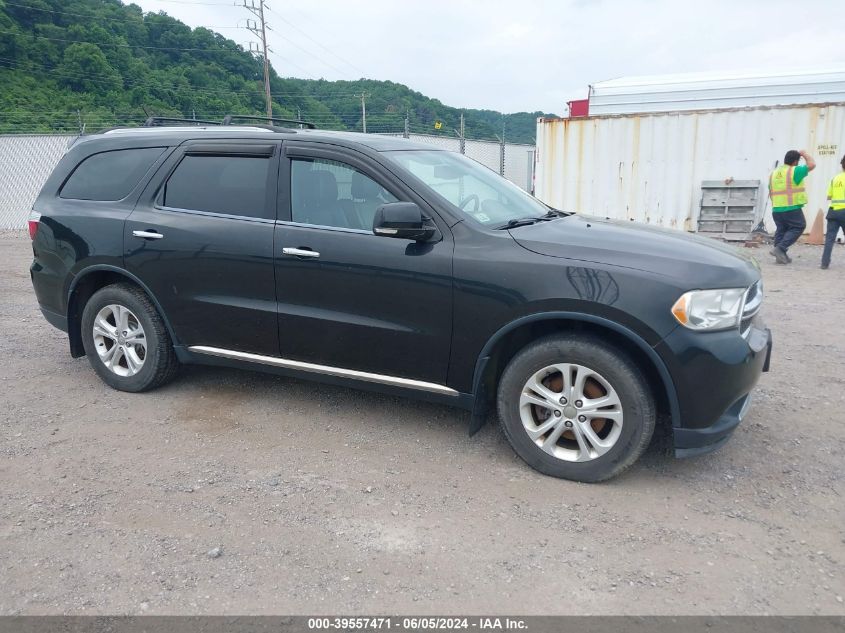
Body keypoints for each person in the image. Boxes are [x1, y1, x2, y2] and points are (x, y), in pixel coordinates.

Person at [768, 149, 816, 264]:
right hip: (791, 207)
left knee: (781, 229)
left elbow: (770, 191)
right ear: (795, 161)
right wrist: (804, 154)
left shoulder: (773, 173)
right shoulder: (794, 170)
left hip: (776, 208)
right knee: (799, 226)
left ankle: (780, 256)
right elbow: (812, 164)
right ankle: (780, 248)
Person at [821, 154, 845, 269]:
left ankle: (824, 264)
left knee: (829, 239)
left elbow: (829, 197)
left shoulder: (835, 178)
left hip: (833, 212)